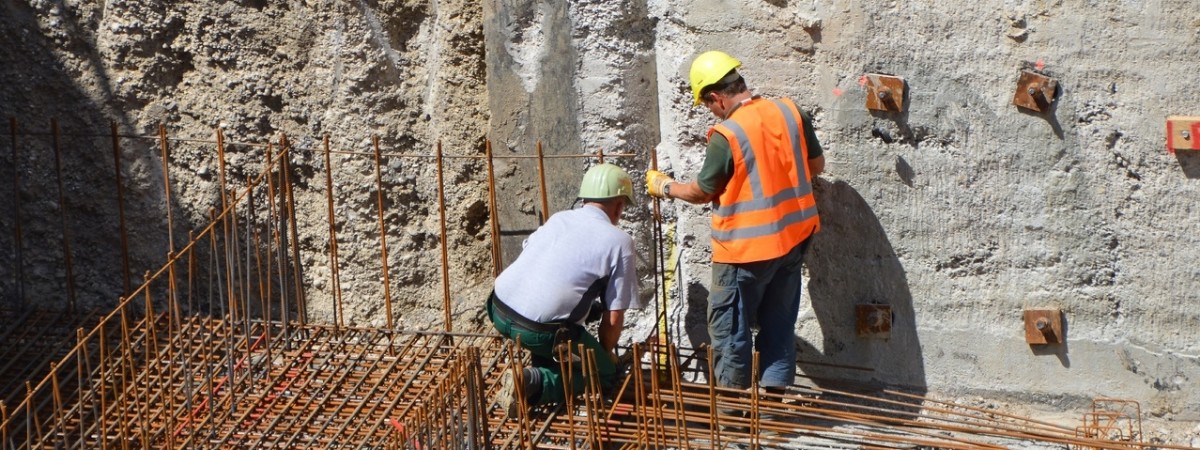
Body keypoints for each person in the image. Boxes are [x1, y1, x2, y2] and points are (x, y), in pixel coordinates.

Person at [646, 50, 824, 398]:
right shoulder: (790, 112)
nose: (711, 112)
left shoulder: (726, 134)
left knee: (730, 329)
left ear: (716, 97)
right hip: (792, 241)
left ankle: (731, 412)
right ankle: (773, 399)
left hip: (745, 251)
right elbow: (815, 166)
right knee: (779, 322)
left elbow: (701, 192)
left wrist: (664, 187)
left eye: (708, 105)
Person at [488, 163, 644, 415]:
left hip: (497, 307)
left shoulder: (559, 218)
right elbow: (613, 318)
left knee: (562, 332)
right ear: (618, 206)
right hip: (537, 331)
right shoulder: (620, 242)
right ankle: (532, 383)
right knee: (604, 374)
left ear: (584, 198)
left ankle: (538, 369)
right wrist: (604, 357)